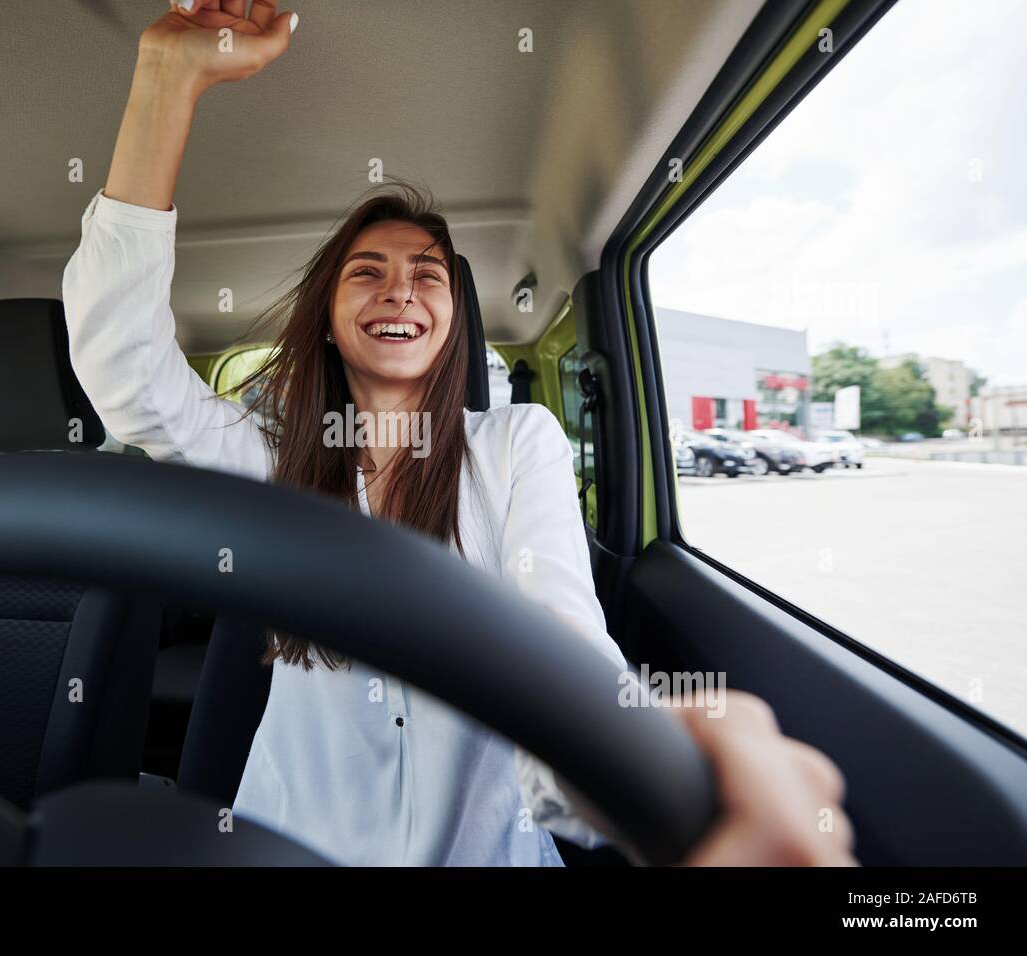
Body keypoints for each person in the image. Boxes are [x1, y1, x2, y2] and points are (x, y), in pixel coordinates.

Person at [61, 0, 856, 867]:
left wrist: (644, 763)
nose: (399, 291)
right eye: (367, 274)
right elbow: (127, 371)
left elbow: (562, 632)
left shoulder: (519, 444)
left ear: (453, 322)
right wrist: (166, 76)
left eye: (426, 276)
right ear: (328, 321)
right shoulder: (269, 458)